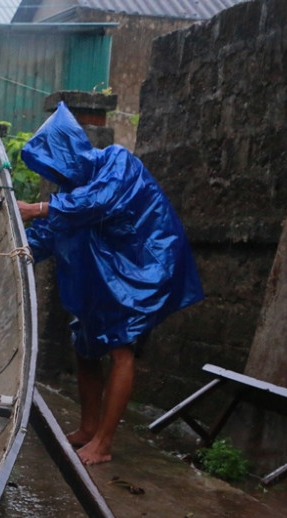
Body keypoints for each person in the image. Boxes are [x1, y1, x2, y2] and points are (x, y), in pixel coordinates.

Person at [17, 102, 203, 466]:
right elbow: (48, 233)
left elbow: (96, 202)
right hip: (107, 276)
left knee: (122, 347)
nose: (56, 173)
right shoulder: (71, 190)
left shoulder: (116, 162)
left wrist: (37, 208)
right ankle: (88, 428)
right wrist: (11, 249)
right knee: (85, 345)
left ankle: (103, 443)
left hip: (145, 267)